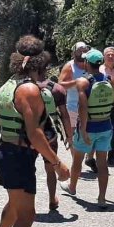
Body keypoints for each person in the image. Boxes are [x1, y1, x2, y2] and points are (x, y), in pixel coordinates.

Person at [0, 35, 70, 227]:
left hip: (6, 152)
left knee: (16, 204)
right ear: (40, 64)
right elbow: (35, 133)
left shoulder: (7, 86)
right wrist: (57, 163)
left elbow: (1, 122)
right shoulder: (29, 90)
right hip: (19, 157)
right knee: (27, 215)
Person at [62, 48, 114, 208]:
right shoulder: (108, 80)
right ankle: (101, 198)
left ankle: (72, 188)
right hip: (106, 126)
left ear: (87, 63)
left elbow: (83, 109)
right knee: (102, 163)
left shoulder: (84, 82)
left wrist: (84, 130)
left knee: (77, 160)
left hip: (89, 127)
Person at [36, 78, 72, 211]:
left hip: (29, 132)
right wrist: (69, 136)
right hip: (49, 134)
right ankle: (52, 199)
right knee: (50, 168)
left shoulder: (24, 86)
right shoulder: (57, 89)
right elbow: (65, 115)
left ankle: (25, 201)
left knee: (28, 168)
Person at [58, 42, 90, 132]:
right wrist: (76, 82)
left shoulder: (90, 64)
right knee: (73, 134)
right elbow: (60, 84)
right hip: (73, 106)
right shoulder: (69, 66)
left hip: (89, 107)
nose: (82, 53)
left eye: (84, 51)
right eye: (79, 51)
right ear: (74, 53)